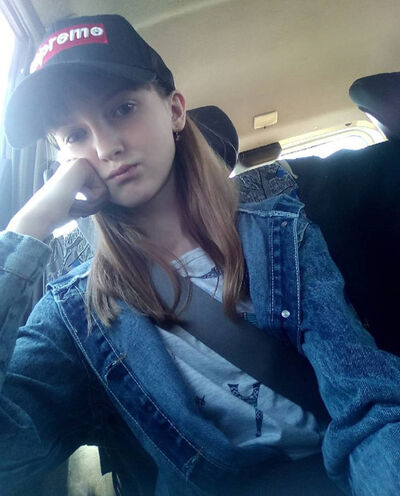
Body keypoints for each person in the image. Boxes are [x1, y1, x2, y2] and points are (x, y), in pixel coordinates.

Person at [1, 14, 400, 496]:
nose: (106, 147)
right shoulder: (75, 316)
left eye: (123, 108)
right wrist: (27, 229)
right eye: (74, 135)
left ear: (174, 111)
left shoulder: (282, 234)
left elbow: (367, 406)